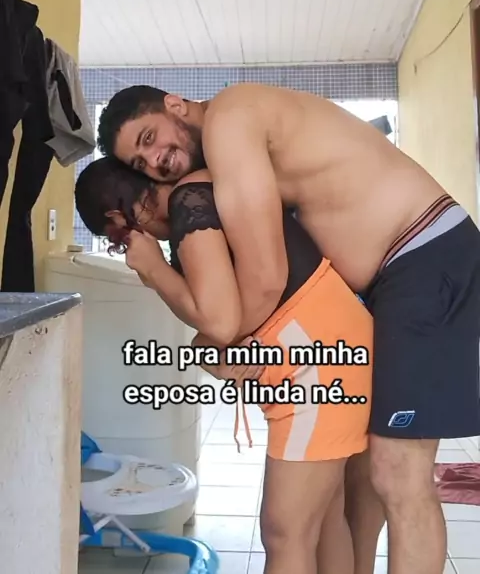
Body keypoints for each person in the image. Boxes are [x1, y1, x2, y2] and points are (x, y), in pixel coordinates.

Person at [96, 83, 480, 574]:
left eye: (150, 138)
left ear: (175, 104)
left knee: (398, 475)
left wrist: (218, 344)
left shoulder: (230, 120)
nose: (156, 161)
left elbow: (266, 277)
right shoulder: (220, 161)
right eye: (141, 162)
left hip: (421, 255)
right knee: (361, 481)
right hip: (384, 283)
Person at [75, 156, 378, 574]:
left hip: (315, 363)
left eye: (115, 240)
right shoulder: (191, 225)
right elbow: (210, 331)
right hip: (327, 351)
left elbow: (217, 324)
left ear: (116, 218)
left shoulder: (189, 204)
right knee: (322, 520)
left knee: (284, 532)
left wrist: (155, 270)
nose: (122, 248)